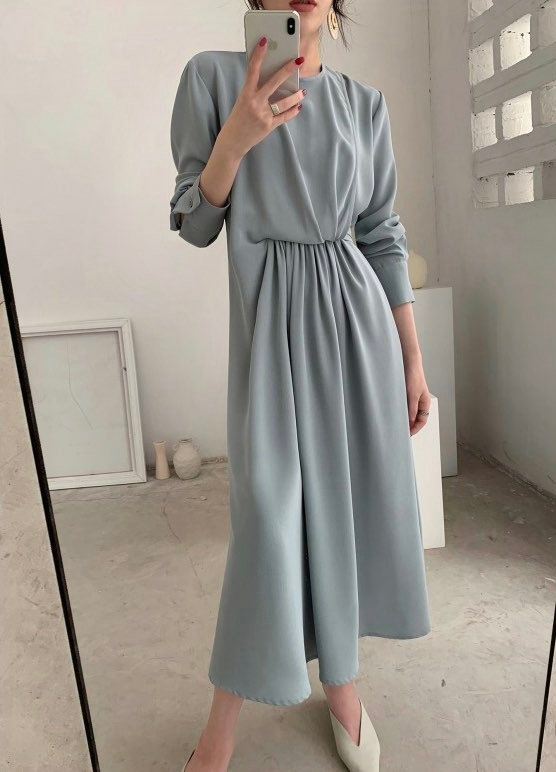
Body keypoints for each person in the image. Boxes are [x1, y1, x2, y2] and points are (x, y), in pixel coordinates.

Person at [169, 2, 432, 770]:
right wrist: (236, 139)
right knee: (268, 514)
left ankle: (342, 684)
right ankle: (221, 727)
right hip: (272, 332)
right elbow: (194, 222)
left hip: (356, 329)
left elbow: (381, 234)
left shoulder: (364, 105)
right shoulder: (212, 80)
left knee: (344, 514)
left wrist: (412, 360)